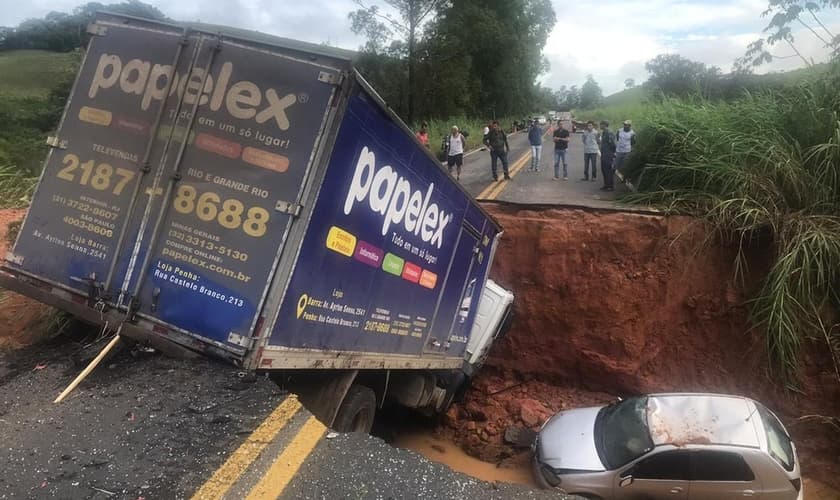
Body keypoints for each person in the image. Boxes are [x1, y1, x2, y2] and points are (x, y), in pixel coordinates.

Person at [599, 120, 617, 191]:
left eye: (601, 124)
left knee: (608, 171)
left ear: (604, 125)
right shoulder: (604, 132)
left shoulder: (609, 133)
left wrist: (612, 153)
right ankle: (606, 185)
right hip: (604, 154)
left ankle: (610, 186)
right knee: (604, 170)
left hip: (608, 155)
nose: (600, 126)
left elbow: (612, 144)